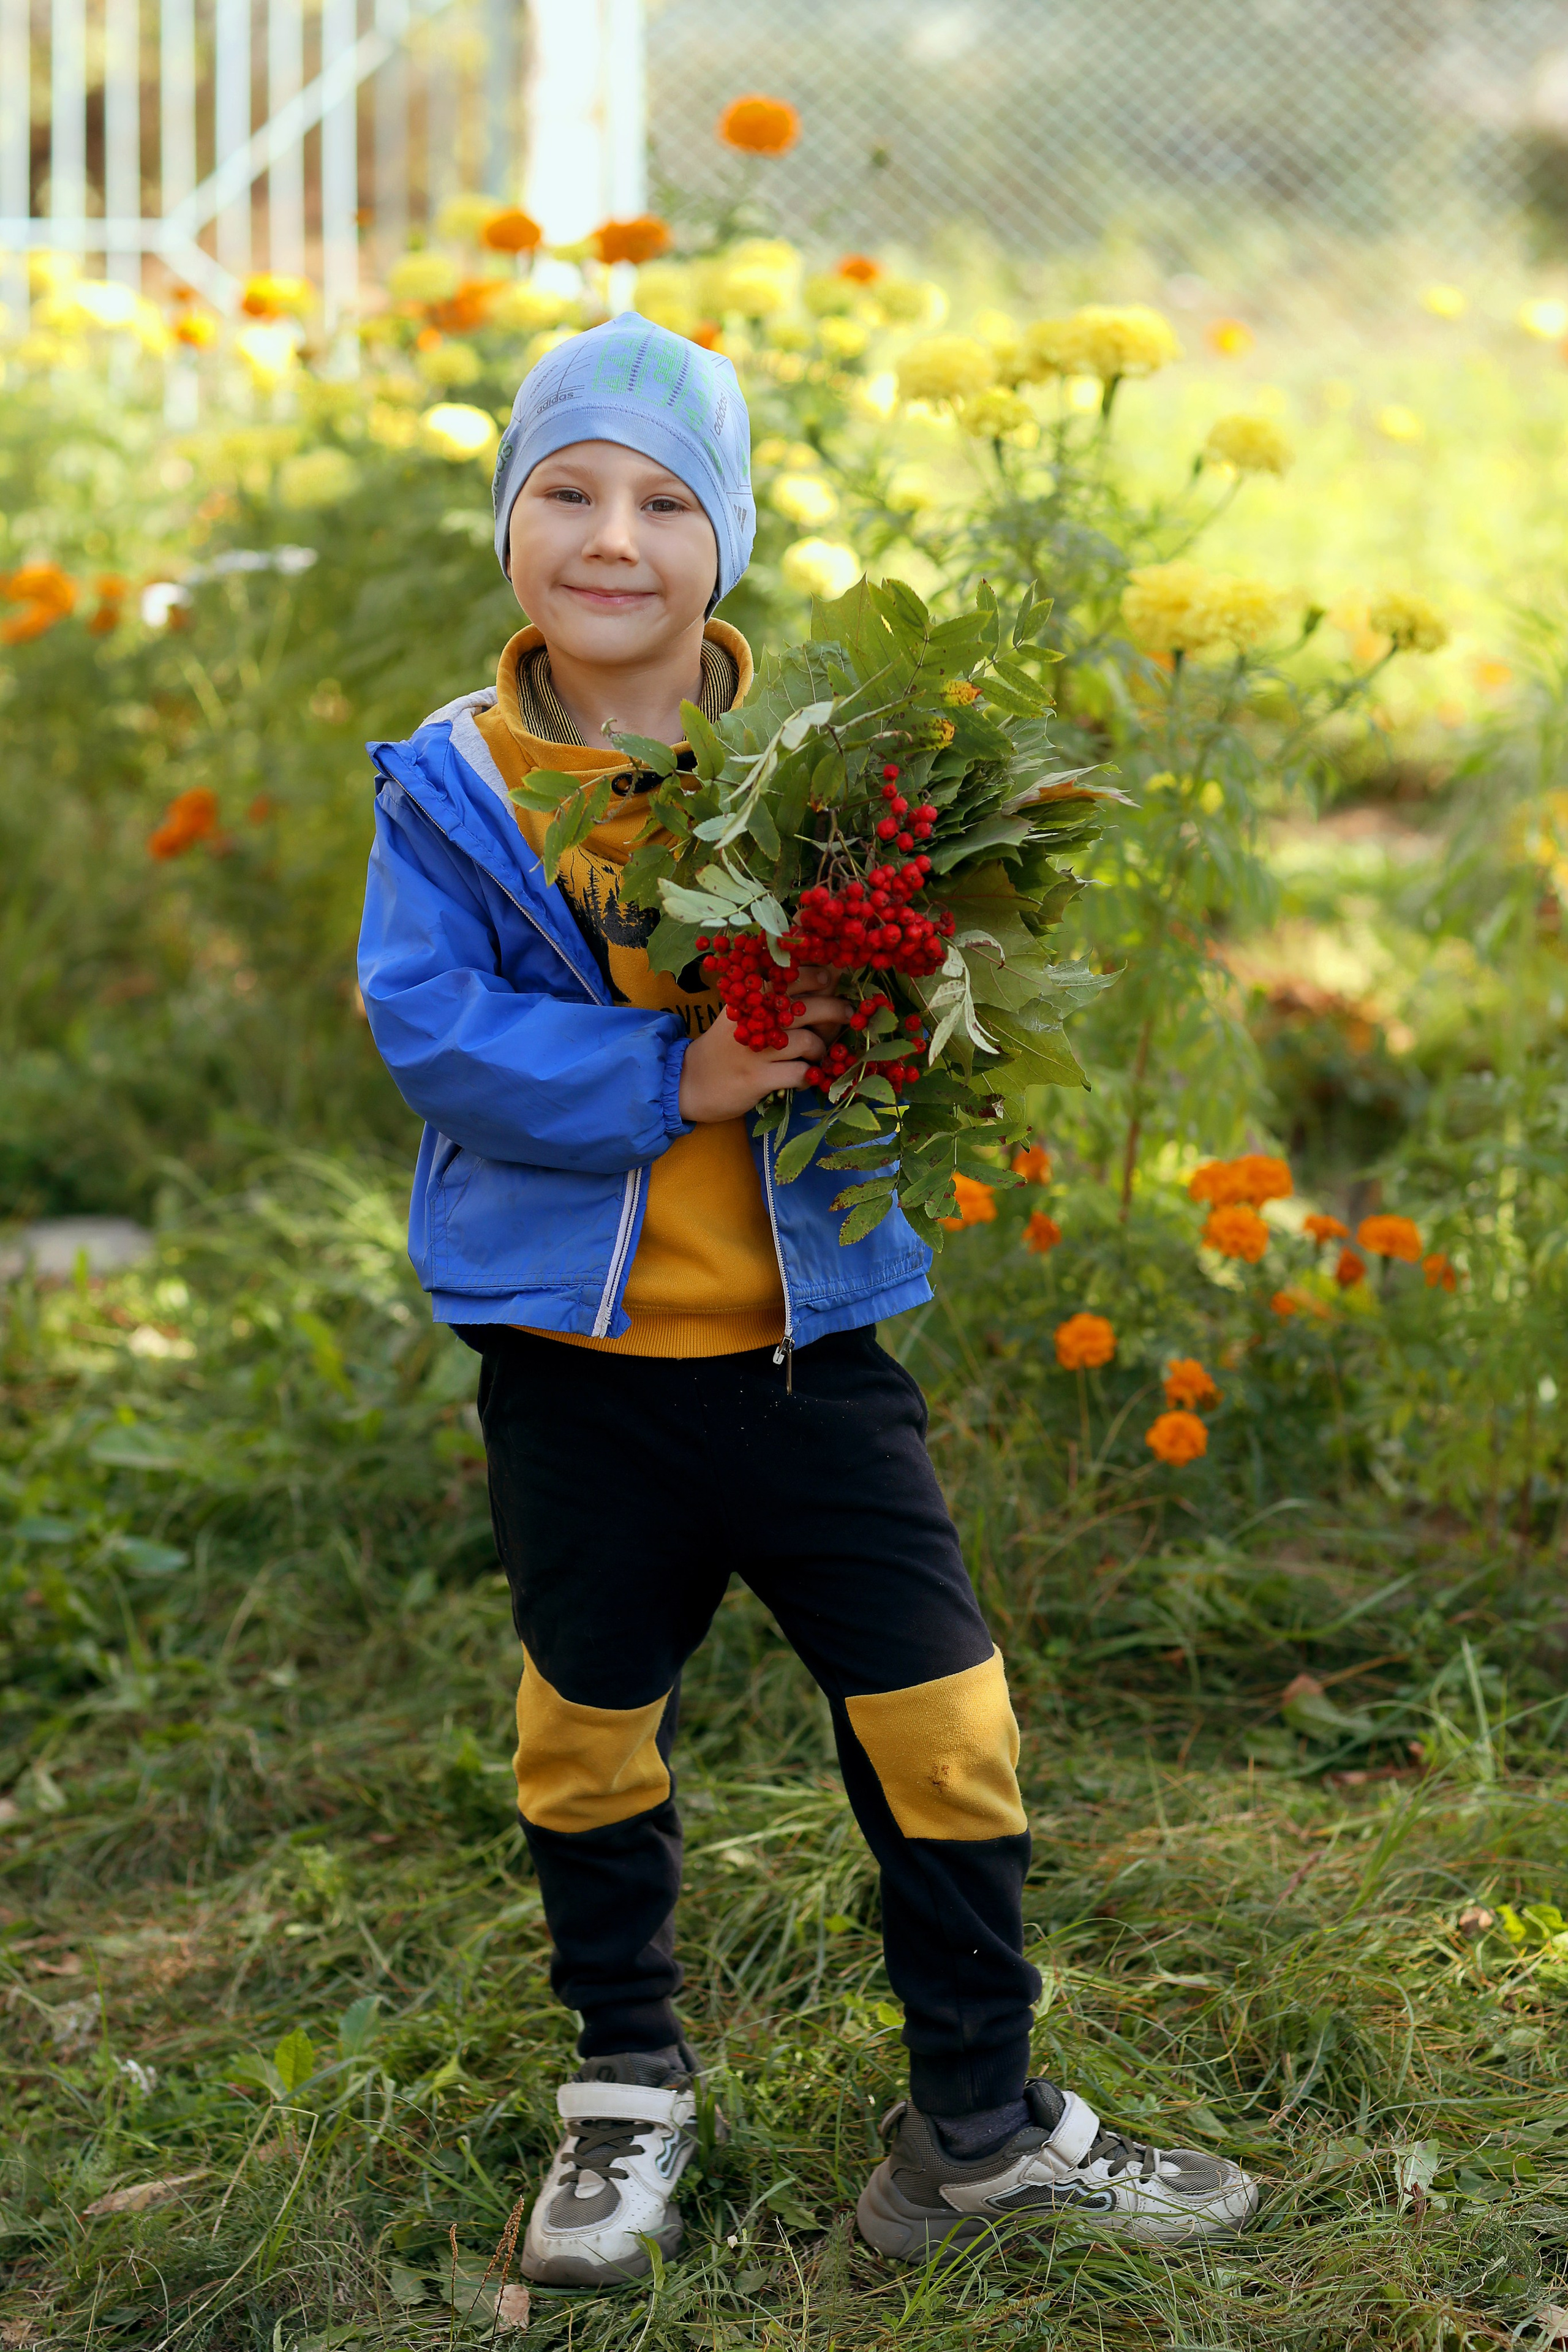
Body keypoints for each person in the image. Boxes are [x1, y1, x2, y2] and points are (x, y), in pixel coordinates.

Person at [356, 312, 1258, 2284]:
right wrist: (669, 1074)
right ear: (509, 522)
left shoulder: (837, 780)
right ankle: (623, 2093)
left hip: (809, 1360)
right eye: (567, 491)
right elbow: (429, 1030)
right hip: (576, 1370)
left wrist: (902, 1007)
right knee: (588, 1733)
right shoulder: (453, 788)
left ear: (730, 541)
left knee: (947, 1725)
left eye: (666, 502)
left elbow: (932, 995)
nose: (614, 537)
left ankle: (978, 2130)